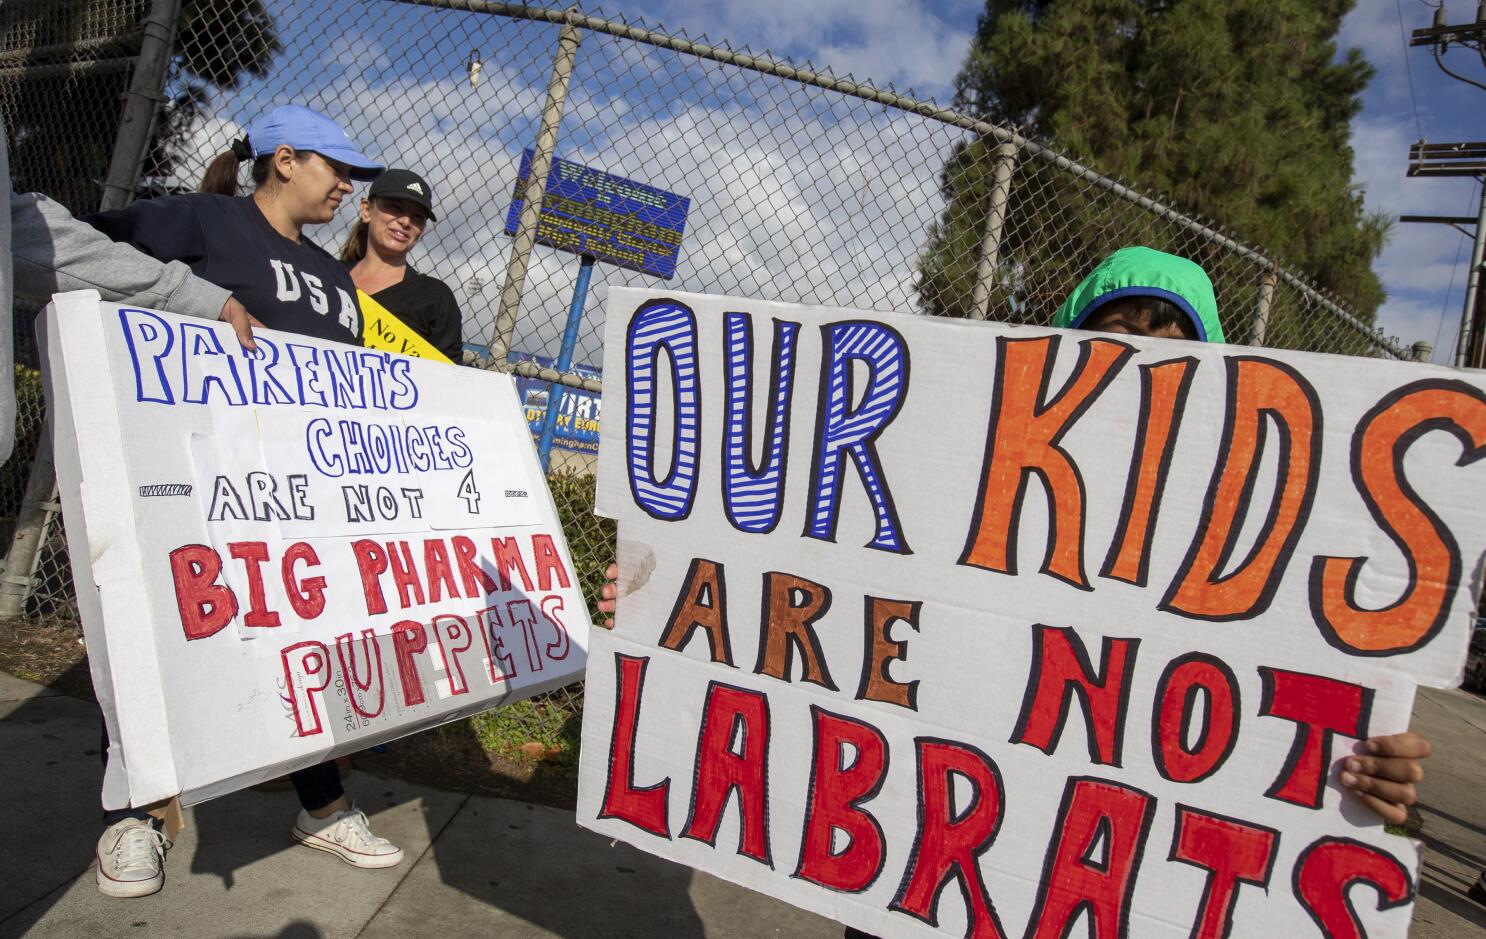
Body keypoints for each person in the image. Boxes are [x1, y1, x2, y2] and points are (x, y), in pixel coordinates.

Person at [598, 246, 1431, 938]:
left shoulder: (1253, 564)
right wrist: (660, 598)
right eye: (1116, 339)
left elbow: (1284, 729)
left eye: (1173, 349)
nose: (1142, 366)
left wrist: (1363, 780)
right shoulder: (952, 494)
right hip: (921, 876)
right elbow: (818, 587)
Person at [84, 104, 402, 898]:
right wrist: (194, 302)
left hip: (294, 498)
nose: (348, 188)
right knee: (163, 637)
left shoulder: (333, 276)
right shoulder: (205, 222)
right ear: (285, 161)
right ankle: (141, 815)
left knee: (299, 646)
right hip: (195, 484)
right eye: (339, 170)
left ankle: (322, 806)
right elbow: (93, 251)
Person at [340, 168, 464, 362]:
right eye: (395, 207)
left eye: (417, 217)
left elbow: (447, 378)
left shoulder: (434, 297)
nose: (406, 221)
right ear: (366, 209)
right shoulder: (329, 275)